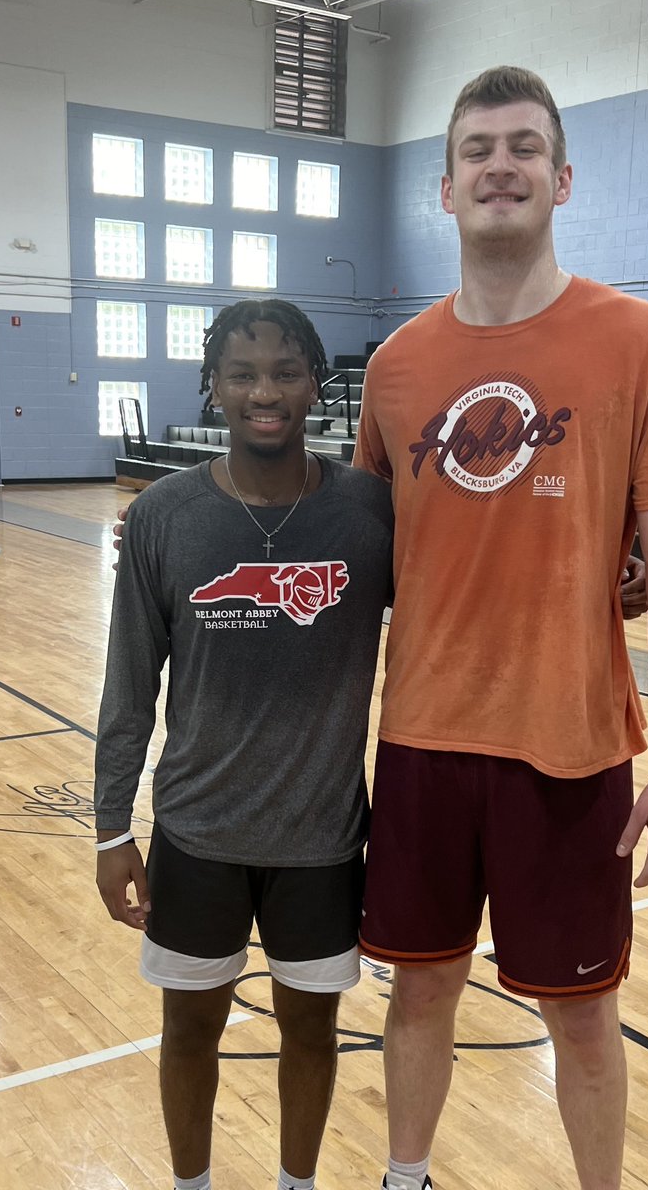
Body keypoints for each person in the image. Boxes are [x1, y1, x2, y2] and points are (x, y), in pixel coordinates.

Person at [352, 66, 648, 1190]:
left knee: (583, 1014)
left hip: (572, 743)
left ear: (561, 179)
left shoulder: (641, 340)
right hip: (422, 737)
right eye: (476, 150)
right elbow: (374, 566)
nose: (497, 166)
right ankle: (403, 1177)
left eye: (521, 148)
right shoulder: (394, 368)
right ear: (442, 187)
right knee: (419, 988)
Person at [93, 299, 395, 1190]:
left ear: (316, 383)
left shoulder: (372, 514)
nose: (266, 392)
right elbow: (128, 683)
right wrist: (113, 829)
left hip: (323, 841)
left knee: (312, 1033)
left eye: (285, 372)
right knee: (189, 1033)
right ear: (212, 387)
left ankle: (296, 1186)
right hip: (197, 838)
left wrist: (610, 585)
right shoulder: (163, 516)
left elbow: (472, 591)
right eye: (243, 374)